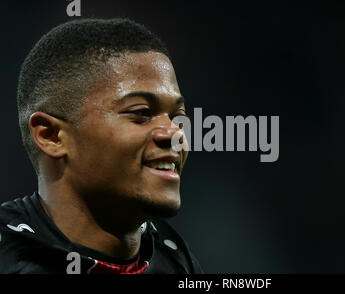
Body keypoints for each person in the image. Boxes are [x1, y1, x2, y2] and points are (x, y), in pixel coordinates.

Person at [0, 18, 202, 274]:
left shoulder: (176, 258)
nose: (175, 134)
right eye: (141, 112)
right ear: (52, 136)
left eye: (177, 117)